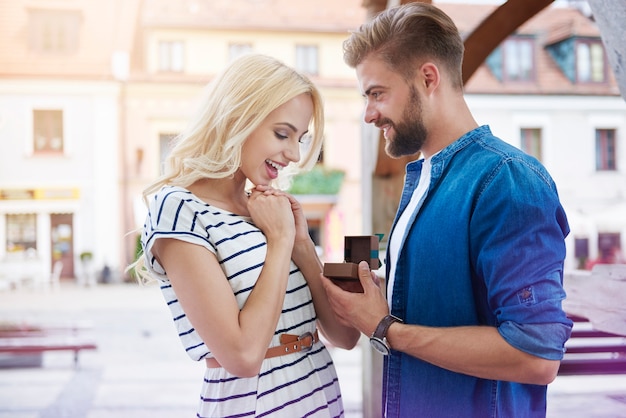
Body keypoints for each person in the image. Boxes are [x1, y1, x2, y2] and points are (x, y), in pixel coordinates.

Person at [321, 3, 573, 418]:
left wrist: (386, 329)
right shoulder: (424, 178)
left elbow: (536, 356)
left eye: (377, 93)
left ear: (427, 78)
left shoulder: (507, 180)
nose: (368, 114)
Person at [135, 53, 360, 418]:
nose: (294, 154)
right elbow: (242, 356)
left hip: (321, 398)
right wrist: (279, 241)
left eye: (300, 138)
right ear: (237, 118)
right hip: (257, 405)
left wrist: (300, 243)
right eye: (282, 134)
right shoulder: (179, 208)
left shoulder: (268, 209)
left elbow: (345, 337)